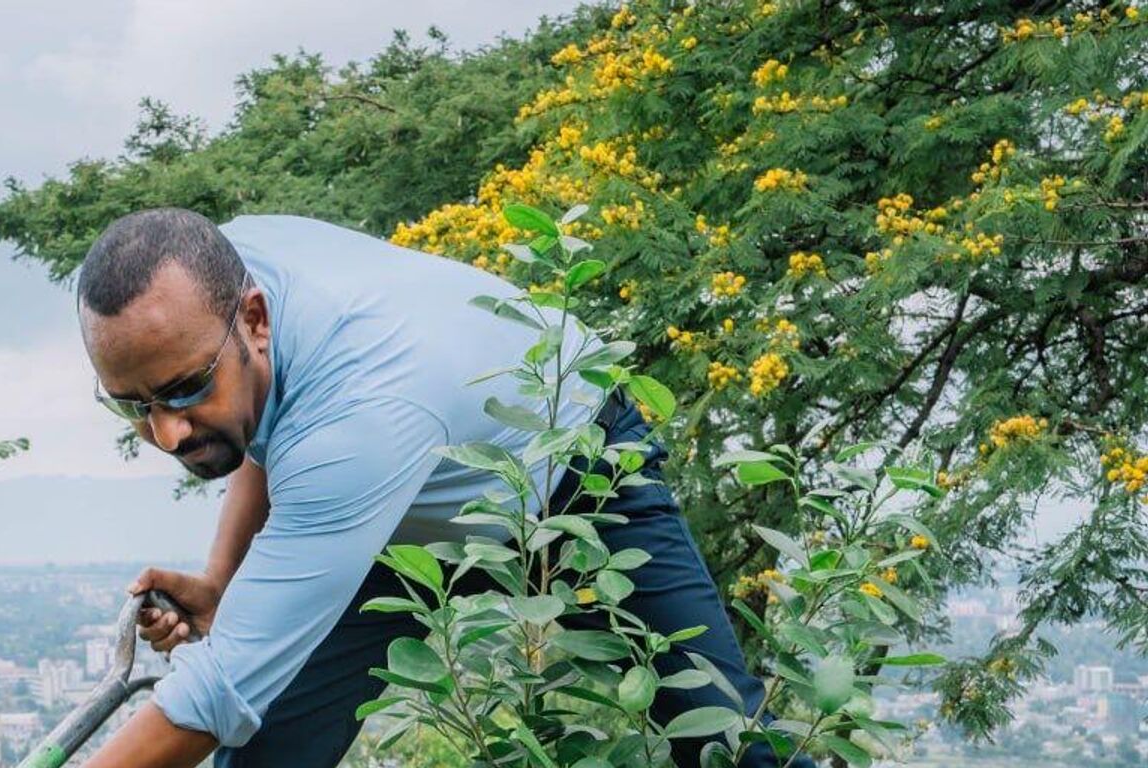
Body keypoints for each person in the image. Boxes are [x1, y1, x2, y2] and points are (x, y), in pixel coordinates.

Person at [74, 208, 795, 768]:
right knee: (267, 750)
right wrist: (222, 582)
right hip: (396, 515)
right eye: (135, 405)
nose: (167, 434)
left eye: (184, 391)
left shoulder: (358, 411)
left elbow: (217, 689)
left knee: (724, 736)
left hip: (570, 465)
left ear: (255, 320)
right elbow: (278, 422)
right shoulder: (220, 285)